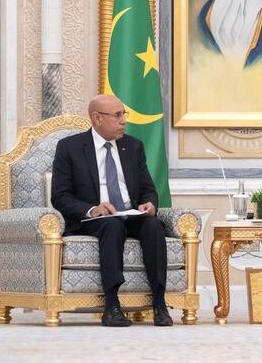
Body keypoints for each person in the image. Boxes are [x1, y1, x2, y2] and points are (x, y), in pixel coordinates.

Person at [51, 94, 173, 327]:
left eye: (123, 114)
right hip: (96, 219)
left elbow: (148, 188)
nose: (123, 121)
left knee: (154, 225)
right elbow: (59, 196)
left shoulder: (133, 146)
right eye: (117, 115)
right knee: (112, 224)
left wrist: (149, 204)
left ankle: (159, 303)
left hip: (130, 214)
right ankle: (112, 305)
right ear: (97, 118)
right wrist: (92, 209)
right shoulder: (70, 148)